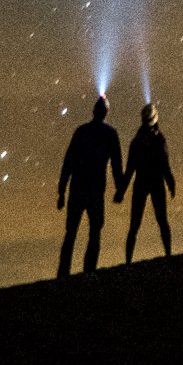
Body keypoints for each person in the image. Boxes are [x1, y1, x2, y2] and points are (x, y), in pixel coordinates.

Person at [56, 94, 124, 276]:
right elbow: (117, 164)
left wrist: (61, 191)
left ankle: (63, 273)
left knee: (71, 232)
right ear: (106, 113)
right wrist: (120, 189)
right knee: (95, 231)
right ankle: (89, 271)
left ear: (94, 111)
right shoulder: (110, 134)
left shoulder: (81, 131)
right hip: (95, 190)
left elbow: (68, 162)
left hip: (77, 188)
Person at [122, 102, 177, 261]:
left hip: (141, 182)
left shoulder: (136, 141)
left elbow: (130, 168)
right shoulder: (159, 138)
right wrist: (171, 183)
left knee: (134, 224)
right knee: (162, 220)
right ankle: (168, 254)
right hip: (156, 182)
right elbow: (165, 163)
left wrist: (121, 191)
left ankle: (128, 261)